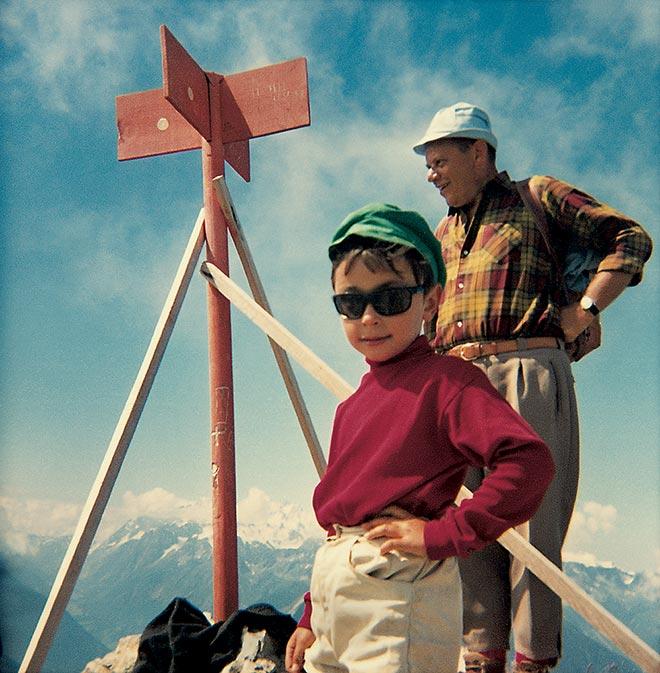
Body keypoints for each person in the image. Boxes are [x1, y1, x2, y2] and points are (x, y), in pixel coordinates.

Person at [412, 102, 653, 673]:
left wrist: (586, 309)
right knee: (466, 532)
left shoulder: (534, 195)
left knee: (532, 529)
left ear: (479, 152)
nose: (431, 174)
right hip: (453, 383)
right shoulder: (442, 233)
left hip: (525, 373)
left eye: (440, 160)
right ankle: (480, 659)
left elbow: (631, 238)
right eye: (427, 163)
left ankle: (534, 663)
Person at [285, 203, 555, 673]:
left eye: (390, 299)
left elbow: (529, 463)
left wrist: (444, 534)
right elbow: (345, 514)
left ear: (430, 302)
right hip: (335, 589)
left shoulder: (449, 382)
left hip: (397, 589)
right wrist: (314, 613)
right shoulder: (352, 407)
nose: (368, 317)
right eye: (350, 302)